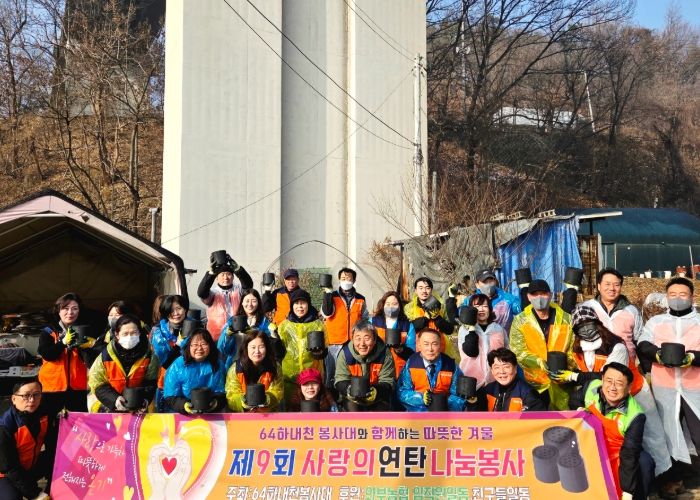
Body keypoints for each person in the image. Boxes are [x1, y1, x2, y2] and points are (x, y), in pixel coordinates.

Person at [638, 277, 700, 498]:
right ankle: (672, 481)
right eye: (672, 295)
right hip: (665, 388)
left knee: (698, 432)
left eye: (682, 294)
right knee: (666, 434)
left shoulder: (699, 321)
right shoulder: (656, 322)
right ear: (666, 297)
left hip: (695, 388)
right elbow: (643, 344)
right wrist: (657, 354)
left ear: (691, 296)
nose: (677, 298)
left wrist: (692, 357)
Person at [581, 363, 653, 500]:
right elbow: (575, 399)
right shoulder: (591, 388)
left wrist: (627, 491)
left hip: (619, 452)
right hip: (591, 445)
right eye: (609, 381)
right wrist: (579, 411)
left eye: (619, 384)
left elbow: (629, 453)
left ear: (629, 388)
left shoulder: (635, 415)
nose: (612, 388)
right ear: (602, 380)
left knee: (645, 463)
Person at [509, 279, 574, 410]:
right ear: (528, 297)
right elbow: (518, 351)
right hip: (533, 383)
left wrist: (567, 368)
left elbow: (573, 347)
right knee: (537, 418)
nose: (539, 297)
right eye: (535, 294)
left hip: (562, 381)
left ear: (550, 295)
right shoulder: (520, 321)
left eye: (543, 293)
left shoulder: (566, 319)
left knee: (562, 418)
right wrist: (537, 361)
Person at [87, 314, 159, 413]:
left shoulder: (149, 356)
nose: (130, 337)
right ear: (117, 335)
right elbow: (97, 383)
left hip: (137, 408)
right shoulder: (106, 356)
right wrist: (114, 399)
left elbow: (151, 382)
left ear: (139, 333)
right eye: (125, 334)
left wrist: (145, 399)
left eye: (134, 333)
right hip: (109, 407)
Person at [38, 292, 94, 417]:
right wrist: (62, 343)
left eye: (75, 308)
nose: (70, 312)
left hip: (78, 386)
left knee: (79, 421)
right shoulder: (48, 331)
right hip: (53, 386)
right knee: (51, 421)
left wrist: (89, 347)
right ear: (58, 310)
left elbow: (91, 361)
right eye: (66, 308)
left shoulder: (84, 331)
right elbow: (47, 355)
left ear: (79, 311)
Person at [0, 379, 51, 500]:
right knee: (11, 497)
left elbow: (54, 444)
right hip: (6, 474)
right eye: (26, 396)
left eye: (36, 394)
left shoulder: (45, 414)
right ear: (14, 399)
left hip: (31, 465)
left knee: (60, 459)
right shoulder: (5, 426)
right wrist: (35, 494)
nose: (32, 400)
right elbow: (9, 467)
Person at [277, 289, 329, 402]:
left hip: (311, 379)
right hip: (289, 378)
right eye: (296, 303)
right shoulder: (284, 326)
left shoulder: (318, 325)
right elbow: (278, 351)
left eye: (303, 303)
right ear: (292, 305)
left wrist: (320, 352)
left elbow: (325, 349)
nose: (300, 307)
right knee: (292, 408)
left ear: (308, 304)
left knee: (312, 407)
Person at [397, 329, 466, 412]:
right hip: (417, 415)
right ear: (419, 345)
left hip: (445, 415)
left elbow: (459, 396)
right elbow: (402, 392)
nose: (430, 349)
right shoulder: (411, 363)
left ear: (440, 345)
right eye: (426, 344)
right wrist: (421, 398)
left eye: (434, 344)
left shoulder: (451, 365)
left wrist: (443, 404)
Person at [582, 268, 642, 360]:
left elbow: (639, 340)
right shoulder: (587, 308)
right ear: (599, 286)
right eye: (607, 284)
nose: (612, 288)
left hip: (624, 364)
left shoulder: (632, 311)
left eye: (616, 285)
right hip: (594, 365)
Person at [163, 328, 227, 414]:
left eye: (203, 344)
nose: (199, 348)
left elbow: (222, 393)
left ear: (210, 346)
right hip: (184, 414)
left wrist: (215, 403)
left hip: (211, 413)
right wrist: (184, 405)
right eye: (195, 344)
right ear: (189, 346)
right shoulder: (178, 365)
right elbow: (170, 395)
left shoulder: (217, 365)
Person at [334, 321, 395, 411]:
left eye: (367, 339)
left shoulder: (385, 354)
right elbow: (340, 379)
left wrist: (376, 392)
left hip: (377, 398)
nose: (362, 344)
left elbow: (388, 381)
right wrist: (350, 390)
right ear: (352, 339)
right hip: (353, 398)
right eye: (358, 339)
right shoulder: (345, 354)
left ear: (374, 340)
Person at [218, 289, 284, 371]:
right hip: (236, 365)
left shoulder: (264, 322)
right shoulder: (232, 321)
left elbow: (270, 346)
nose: (250, 304)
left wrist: (256, 333)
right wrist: (227, 335)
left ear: (258, 303)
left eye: (253, 301)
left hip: (258, 365)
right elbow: (223, 349)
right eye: (247, 301)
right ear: (242, 302)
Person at [197, 251, 253, 340]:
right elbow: (201, 293)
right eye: (222, 275)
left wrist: (238, 269)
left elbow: (248, 285)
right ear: (216, 277)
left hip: (238, 336)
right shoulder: (213, 293)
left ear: (233, 277)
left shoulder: (238, 290)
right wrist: (211, 274)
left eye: (229, 274)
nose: (226, 277)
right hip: (216, 338)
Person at [470, 348, 545, 412]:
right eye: (497, 367)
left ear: (515, 369)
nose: (502, 371)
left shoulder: (528, 393)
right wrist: (472, 402)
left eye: (506, 367)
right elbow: (475, 417)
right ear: (492, 371)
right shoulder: (487, 390)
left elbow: (537, 421)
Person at [225, 330, 283, 412]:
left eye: (261, 347)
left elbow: (278, 392)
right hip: (244, 416)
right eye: (253, 347)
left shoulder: (274, 367)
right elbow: (231, 396)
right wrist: (246, 401)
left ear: (267, 348)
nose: (257, 351)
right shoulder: (236, 369)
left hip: (267, 415)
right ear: (246, 348)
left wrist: (265, 398)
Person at [457, 294, 507, 390]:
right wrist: (471, 329)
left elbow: (506, 352)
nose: (481, 310)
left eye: (485, 306)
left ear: (490, 309)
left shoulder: (498, 329)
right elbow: (471, 352)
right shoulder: (465, 329)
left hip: (495, 380)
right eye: (477, 306)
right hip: (470, 382)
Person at [404, 277, 459, 361]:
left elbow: (450, 330)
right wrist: (425, 318)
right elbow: (408, 329)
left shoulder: (441, 306)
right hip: (417, 351)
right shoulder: (409, 308)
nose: (424, 291)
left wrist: (437, 318)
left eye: (427, 288)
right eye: (421, 288)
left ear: (431, 290)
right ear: (415, 290)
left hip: (440, 349)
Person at [150, 294, 189, 411]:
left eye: (178, 308)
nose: (175, 313)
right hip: (167, 380)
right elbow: (164, 362)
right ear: (165, 312)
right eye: (171, 310)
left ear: (185, 309)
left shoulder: (196, 327)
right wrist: (178, 345)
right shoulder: (159, 332)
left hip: (191, 378)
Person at [321, 267, 369, 359]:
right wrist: (327, 294)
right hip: (334, 343)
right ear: (339, 280)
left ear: (354, 281)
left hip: (354, 342)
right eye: (343, 279)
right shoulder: (332, 295)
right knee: (334, 367)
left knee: (352, 366)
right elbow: (326, 313)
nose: (346, 281)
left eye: (348, 279)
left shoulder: (360, 298)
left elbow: (365, 319)